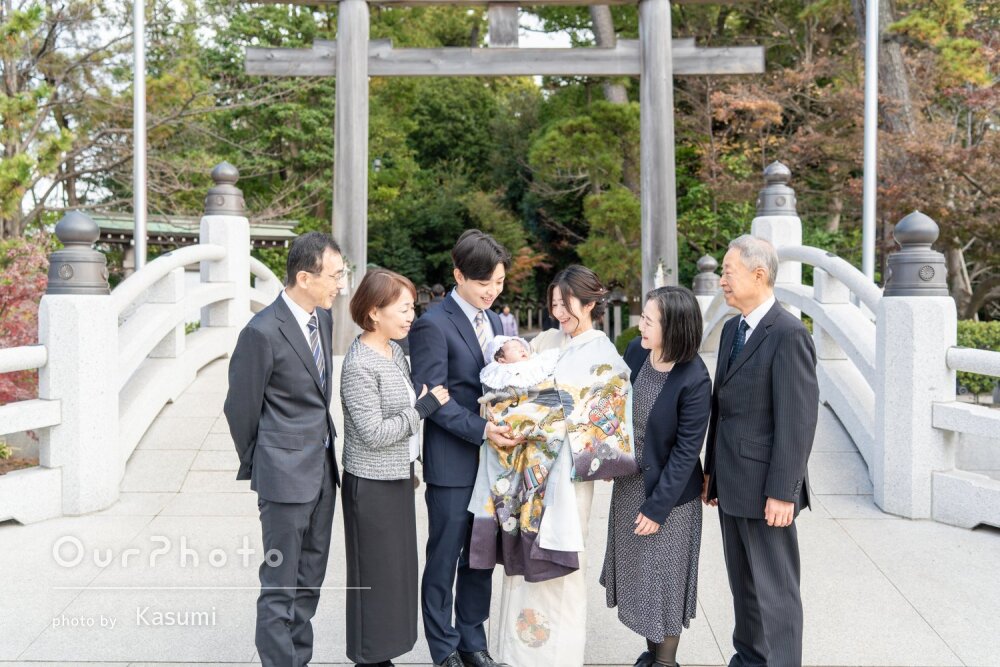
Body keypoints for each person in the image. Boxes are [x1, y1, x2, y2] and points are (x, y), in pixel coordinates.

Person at [495, 264, 636, 667]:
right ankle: (518, 653)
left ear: (590, 303)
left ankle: (559, 655)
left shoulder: (604, 355)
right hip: (529, 472)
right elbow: (515, 382)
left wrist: (546, 419)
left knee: (562, 555)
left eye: (566, 304)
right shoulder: (544, 341)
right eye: (554, 304)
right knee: (524, 552)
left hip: (568, 475)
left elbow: (603, 420)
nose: (558, 312)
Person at [224, 232, 346, 667]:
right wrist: (266, 461)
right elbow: (240, 409)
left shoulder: (323, 320)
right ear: (304, 277)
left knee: (310, 581)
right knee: (280, 584)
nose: (340, 285)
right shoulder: (261, 332)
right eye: (335, 276)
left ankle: (300, 659)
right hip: (283, 478)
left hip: (323, 473)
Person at [702, 235, 819, 667]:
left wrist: (783, 492)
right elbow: (721, 407)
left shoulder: (789, 334)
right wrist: (711, 472)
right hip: (731, 482)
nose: (722, 282)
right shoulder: (732, 329)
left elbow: (797, 421)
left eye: (727, 273)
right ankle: (749, 659)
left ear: (758, 274)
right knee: (744, 586)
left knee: (776, 591)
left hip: (768, 487)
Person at [408, 229, 516, 667]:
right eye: (484, 283)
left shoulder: (495, 322)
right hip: (452, 462)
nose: (492, 291)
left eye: (499, 283)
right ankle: (444, 647)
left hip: (491, 461)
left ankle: (473, 640)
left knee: (480, 555)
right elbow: (434, 400)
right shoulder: (432, 324)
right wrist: (483, 429)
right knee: (444, 556)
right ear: (458, 276)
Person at [340, 269, 450, 667]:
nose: (411, 317)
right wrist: (422, 409)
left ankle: (384, 653)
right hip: (370, 485)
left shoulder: (395, 352)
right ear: (374, 312)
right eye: (403, 309)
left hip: (397, 477)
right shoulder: (359, 365)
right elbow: (373, 433)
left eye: (411, 308)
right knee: (374, 576)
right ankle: (369, 657)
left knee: (395, 575)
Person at [602, 287, 712, 667]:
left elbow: (685, 453)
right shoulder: (637, 352)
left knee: (662, 585)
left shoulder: (694, 378)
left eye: (649, 321)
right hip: (630, 485)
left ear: (674, 327)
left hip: (669, 499)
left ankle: (665, 662)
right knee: (642, 581)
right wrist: (608, 459)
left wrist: (656, 509)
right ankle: (651, 657)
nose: (641, 326)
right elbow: (615, 408)